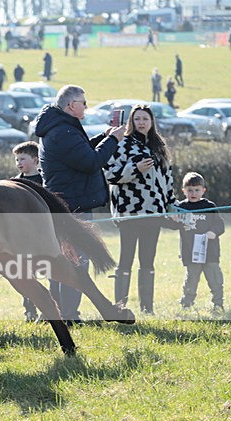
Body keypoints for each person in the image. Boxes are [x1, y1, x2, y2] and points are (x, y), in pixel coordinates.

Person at [34, 85, 125, 323]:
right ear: (71, 105)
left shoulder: (60, 127)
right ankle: (69, 315)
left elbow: (80, 150)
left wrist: (103, 137)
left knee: (63, 262)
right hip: (72, 207)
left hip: (66, 204)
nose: (86, 106)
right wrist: (113, 140)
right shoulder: (63, 131)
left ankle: (58, 313)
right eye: (83, 102)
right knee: (76, 263)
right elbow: (91, 161)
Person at [103, 104, 175, 314]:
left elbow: (167, 179)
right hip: (129, 211)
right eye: (137, 119)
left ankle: (147, 307)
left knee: (148, 259)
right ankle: (120, 306)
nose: (141, 122)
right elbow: (110, 175)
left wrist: (171, 205)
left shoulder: (159, 145)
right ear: (131, 122)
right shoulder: (122, 144)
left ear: (152, 121)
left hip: (154, 211)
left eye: (145, 118)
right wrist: (134, 169)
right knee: (126, 258)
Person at [174, 172, 225, 311]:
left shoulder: (209, 206)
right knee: (191, 279)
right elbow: (173, 225)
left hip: (210, 251)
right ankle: (186, 303)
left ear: (203, 190)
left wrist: (213, 232)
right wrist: (174, 219)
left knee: (215, 279)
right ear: (184, 191)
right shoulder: (181, 208)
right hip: (191, 252)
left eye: (197, 190)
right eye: (190, 190)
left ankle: (218, 303)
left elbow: (220, 225)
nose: (193, 193)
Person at [10, 141, 43, 322]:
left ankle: (50, 308)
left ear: (36, 160)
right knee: (26, 275)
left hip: (40, 236)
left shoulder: (44, 181)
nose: (19, 163)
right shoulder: (14, 183)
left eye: (22, 158)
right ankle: (30, 311)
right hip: (21, 238)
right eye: (16, 160)